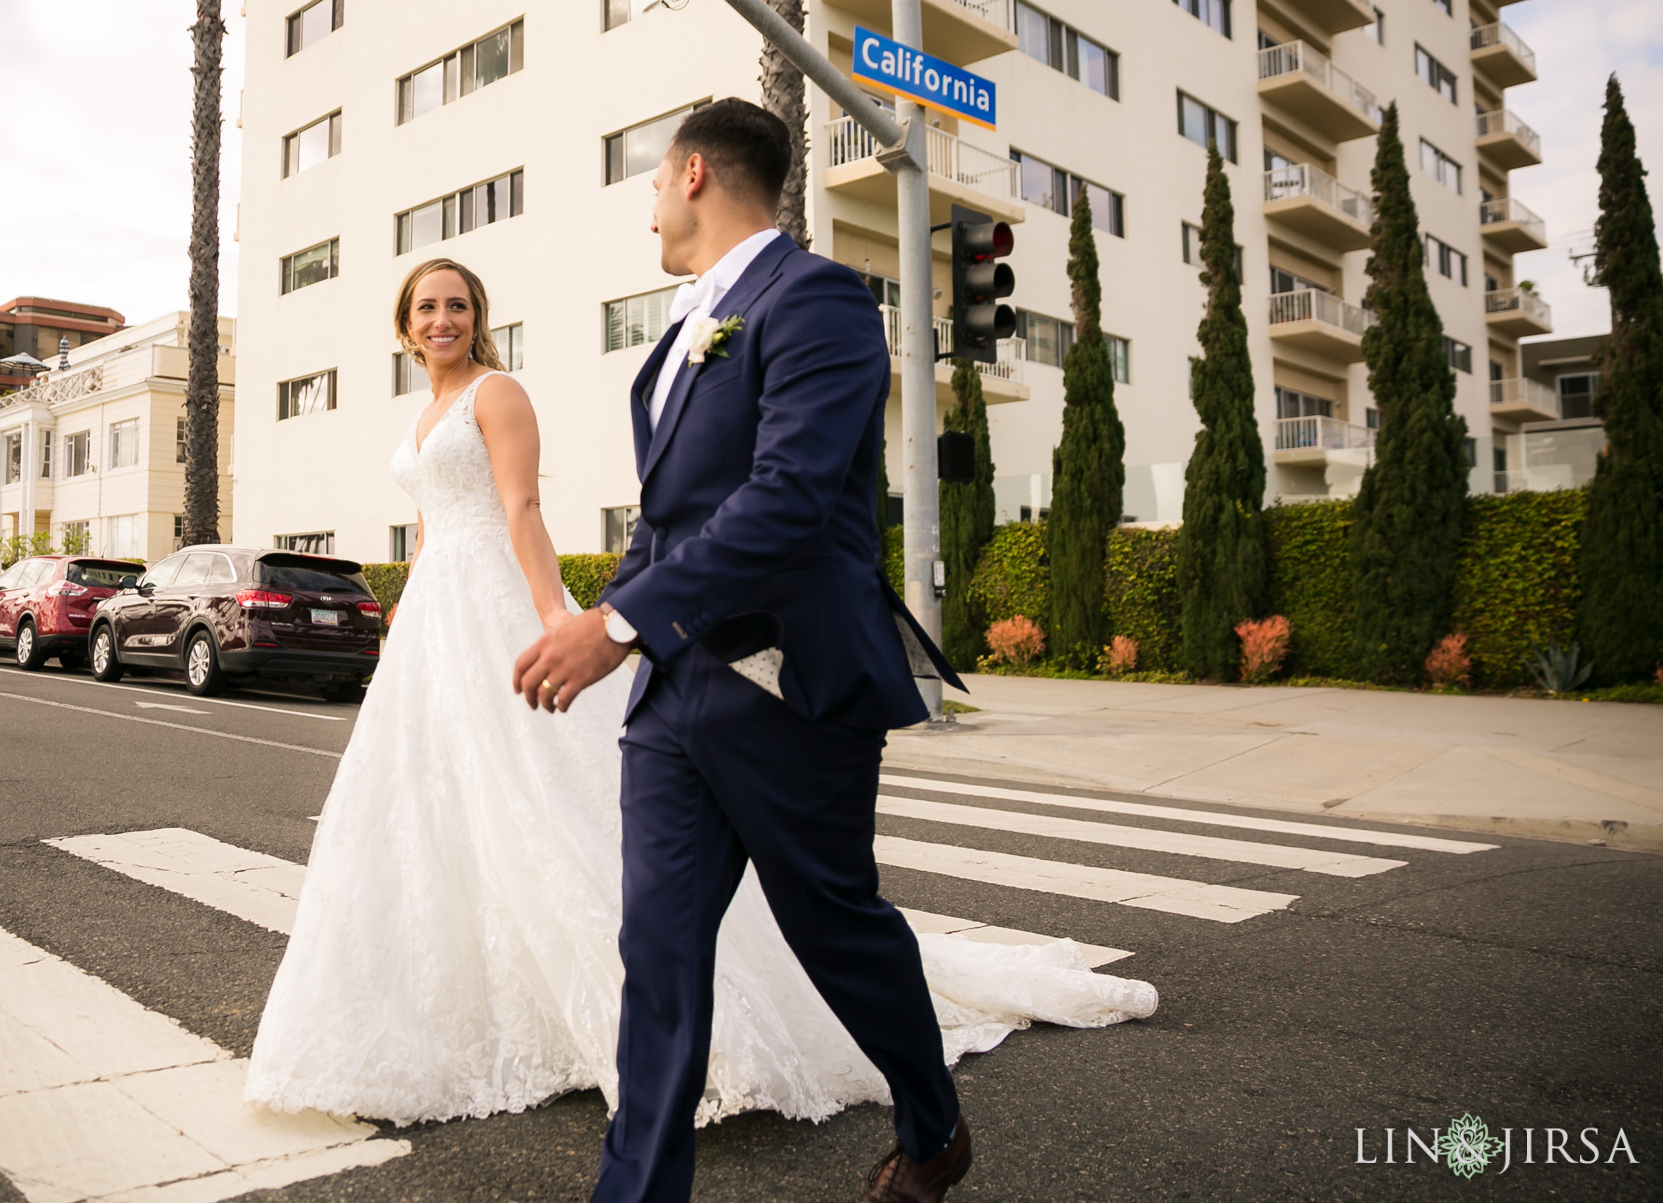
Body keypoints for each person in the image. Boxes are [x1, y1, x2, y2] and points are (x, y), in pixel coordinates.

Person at [246, 110, 1156, 1200]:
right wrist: (630, 624)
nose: (647, 210)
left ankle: (933, 1128)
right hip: (673, 694)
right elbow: (671, 522)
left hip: (789, 683)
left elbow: (789, 500)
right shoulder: (686, 329)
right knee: (659, 959)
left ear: (691, 175)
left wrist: (613, 622)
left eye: (651, 186)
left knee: (837, 929)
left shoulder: (812, 300)